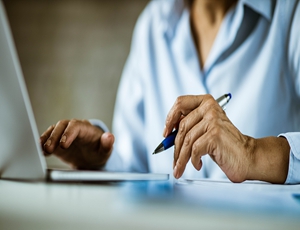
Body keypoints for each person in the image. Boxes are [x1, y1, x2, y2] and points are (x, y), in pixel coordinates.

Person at [40, 0, 300, 184]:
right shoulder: (152, 24)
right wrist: (101, 161)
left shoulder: (291, 15)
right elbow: (137, 168)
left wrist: (252, 153)